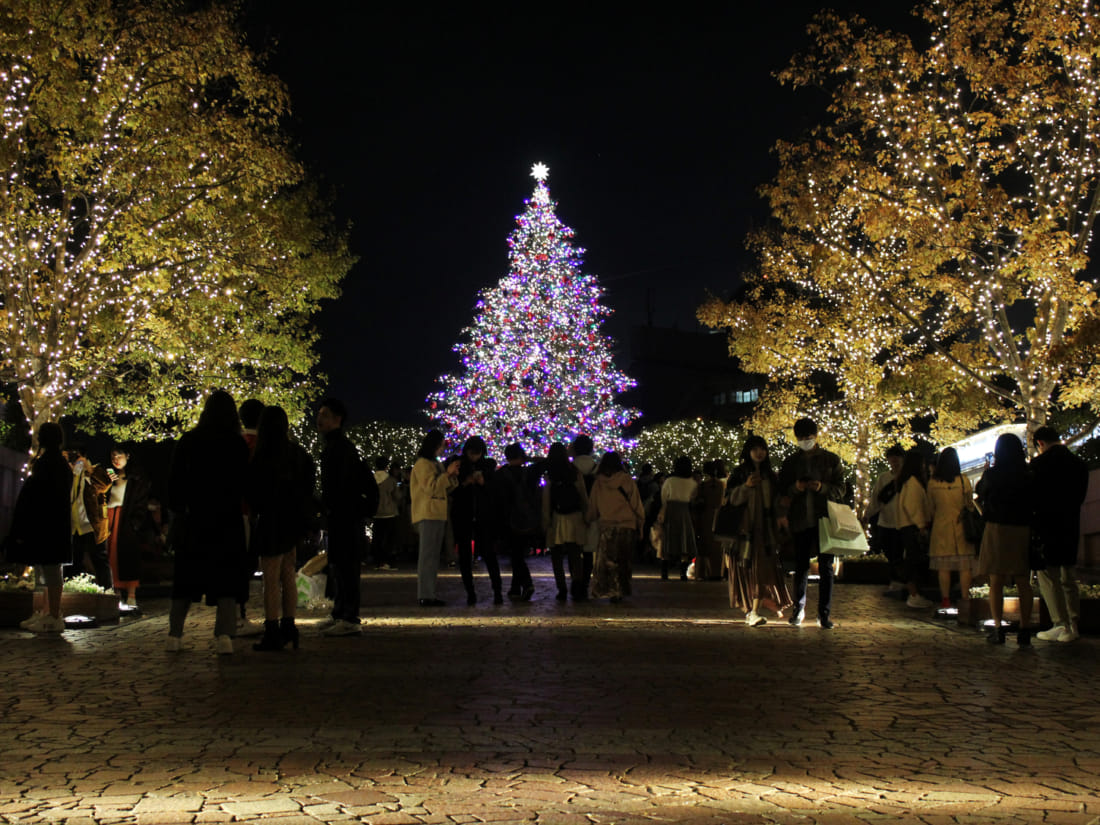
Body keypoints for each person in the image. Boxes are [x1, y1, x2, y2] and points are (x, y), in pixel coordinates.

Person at [166, 390, 250, 654]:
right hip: (227, 520)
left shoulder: (189, 441)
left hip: (194, 519)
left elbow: (175, 483)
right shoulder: (236, 444)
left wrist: (178, 511)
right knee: (226, 580)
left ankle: (175, 634)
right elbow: (244, 484)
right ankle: (224, 635)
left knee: (184, 580)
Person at [247, 405, 315, 651]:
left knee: (271, 578)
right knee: (288, 574)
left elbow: (254, 491)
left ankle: (272, 629)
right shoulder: (298, 454)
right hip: (293, 520)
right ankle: (290, 625)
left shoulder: (263, 455)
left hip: (271, 519)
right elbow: (308, 489)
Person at [776, 418, 845, 628]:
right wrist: (795, 489)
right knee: (801, 566)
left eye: (808, 437)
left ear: (816, 436)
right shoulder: (790, 463)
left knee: (826, 567)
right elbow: (782, 491)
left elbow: (841, 489)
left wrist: (822, 487)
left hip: (824, 519)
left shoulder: (831, 460)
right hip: (800, 519)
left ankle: (824, 614)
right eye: (801, 438)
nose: (805, 441)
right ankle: (799, 610)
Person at [317, 397, 376, 636]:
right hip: (341, 516)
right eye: (319, 414)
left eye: (325, 415)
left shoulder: (341, 447)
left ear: (338, 419)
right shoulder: (336, 445)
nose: (320, 419)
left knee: (347, 567)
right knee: (339, 566)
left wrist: (334, 507)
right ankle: (340, 613)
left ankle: (349, 617)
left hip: (346, 516)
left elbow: (343, 486)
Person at [8, 423, 73, 633]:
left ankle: (53, 615)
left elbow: (36, 494)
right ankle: (48, 613)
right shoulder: (60, 464)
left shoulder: (48, 464)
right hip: (55, 524)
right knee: (48, 569)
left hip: (47, 524)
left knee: (50, 569)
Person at [975, 433, 1035, 645]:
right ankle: (1025, 628)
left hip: (997, 527)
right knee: (1022, 581)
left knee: (996, 581)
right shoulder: (1028, 474)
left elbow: (980, 492)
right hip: (1021, 528)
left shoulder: (993, 474)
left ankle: (998, 627)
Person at [1031, 426, 1090, 643]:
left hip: (1047, 525)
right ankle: (1073, 623)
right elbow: (1080, 496)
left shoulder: (1038, 465)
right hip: (1070, 524)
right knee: (1068, 575)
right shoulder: (1078, 465)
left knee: (1048, 575)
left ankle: (1059, 622)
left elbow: (1034, 498)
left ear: (1040, 444)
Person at [725, 436, 792, 626]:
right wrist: (745, 487)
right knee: (746, 570)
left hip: (765, 530)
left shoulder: (770, 475)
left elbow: (777, 501)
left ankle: (754, 611)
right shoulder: (739, 474)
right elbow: (729, 500)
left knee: (761, 570)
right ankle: (750, 611)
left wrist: (782, 513)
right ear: (748, 451)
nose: (759, 453)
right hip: (744, 531)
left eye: (762, 448)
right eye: (755, 449)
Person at [450, 436, 503, 605]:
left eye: (477, 453)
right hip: (463, 516)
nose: (474, 457)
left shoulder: (488, 467)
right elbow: (452, 490)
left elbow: (495, 492)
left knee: (489, 554)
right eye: (471, 453)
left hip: (484, 517)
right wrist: (465, 483)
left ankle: (497, 592)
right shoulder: (458, 465)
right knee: (465, 557)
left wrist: (483, 482)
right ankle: (470, 592)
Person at [586, 451, 644, 602]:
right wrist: (640, 524)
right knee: (624, 560)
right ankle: (620, 590)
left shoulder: (599, 483)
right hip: (627, 525)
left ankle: (609, 589)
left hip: (607, 525)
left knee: (607, 560)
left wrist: (588, 519)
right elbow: (636, 504)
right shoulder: (627, 481)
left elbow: (593, 507)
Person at [411, 429, 460, 606]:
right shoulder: (423, 464)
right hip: (428, 513)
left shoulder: (434, 464)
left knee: (432, 556)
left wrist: (451, 476)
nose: (443, 448)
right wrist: (447, 475)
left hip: (436, 513)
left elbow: (444, 488)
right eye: (441, 445)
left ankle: (429, 593)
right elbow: (431, 487)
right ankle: (425, 594)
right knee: (428, 556)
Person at [927, 447, 978, 609]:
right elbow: (969, 505)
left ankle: (946, 599)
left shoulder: (933, 483)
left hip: (941, 527)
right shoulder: (963, 481)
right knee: (965, 567)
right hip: (961, 526)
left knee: (943, 567)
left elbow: (930, 507)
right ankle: (965, 599)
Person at [104, 445, 151, 610]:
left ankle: (131, 595)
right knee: (110, 556)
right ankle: (116, 593)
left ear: (127, 456)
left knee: (127, 556)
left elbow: (141, 502)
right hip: (110, 516)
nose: (116, 460)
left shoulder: (136, 478)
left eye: (119, 456)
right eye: (113, 457)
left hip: (126, 519)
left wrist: (135, 523)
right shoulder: (109, 475)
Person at [542, 442, 589, 601]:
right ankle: (577, 584)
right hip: (575, 516)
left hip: (557, 516)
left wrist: (546, 519)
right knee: (575, 554)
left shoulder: (550, 473)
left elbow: (546, 498)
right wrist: (586, 513)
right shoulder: (574, 471)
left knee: (556, 555)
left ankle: (561, 588)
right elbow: (583, 494)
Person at [66, 443, 113, 590]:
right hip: (75, 524)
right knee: (73, 560)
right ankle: (72, 590)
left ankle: (107, 592)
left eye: (77, 456)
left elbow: (104, 485)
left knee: (99, 558)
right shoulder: (69, 474)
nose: (75, 461)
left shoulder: (95, 471)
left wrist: (88, 469)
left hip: (92, 523)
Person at [495, 443, 538, 601]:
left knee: (515, 555)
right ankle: (515, 588)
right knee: (518, 553)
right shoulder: (530, 473)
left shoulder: (501, 475)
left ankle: (526, 583)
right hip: (527, 518)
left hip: (508, 519)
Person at [896, 448, 934, 609]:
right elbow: (913, 506)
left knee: (912, 560)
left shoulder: (907, 481)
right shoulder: (912, 482)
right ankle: (914, 595)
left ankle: (914, 594)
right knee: (914, 561)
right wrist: (921, 525)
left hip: (907, 526)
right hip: (912, 527)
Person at [866, 445, 905, 595]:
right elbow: (876, 498)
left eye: (897, 460)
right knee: (889, 552)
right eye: (892, 461)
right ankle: (894, 581)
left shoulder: (907, 478)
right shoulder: (884, 478)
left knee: (899, 553)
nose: (894, 463)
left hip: (902, 522)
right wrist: (868, 514)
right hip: (886, 521)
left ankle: (900, 582)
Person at [657, 456, 698, 581]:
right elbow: (693, 498)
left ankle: (664, 572)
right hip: (685, 511)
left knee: (668, 540)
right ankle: (682, 572)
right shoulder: (693, 483)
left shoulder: (670, 481)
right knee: (684, 540)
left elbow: (664, 497)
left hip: (670, 510)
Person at [570, 434, 599, 596]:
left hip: (573, 512)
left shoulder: (570, 468)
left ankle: (575, 582)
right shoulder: (597, 468)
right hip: (592, 513)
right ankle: (585, 583)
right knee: (588, 552)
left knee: (574, 551)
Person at [695, 459, 727, 581]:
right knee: (717, 546)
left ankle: (702, 572)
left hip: (705, 516)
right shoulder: (721, 485)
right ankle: (717, 572)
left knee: (704, 545)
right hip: (718, 516)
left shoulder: (703, 485)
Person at [372, 456, 399, 570]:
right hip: (389, 512)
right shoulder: (391, 480)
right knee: (389, 538)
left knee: (377, 537)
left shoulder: (372, 479)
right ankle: (387, 561)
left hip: (376, 512)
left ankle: (378, 561)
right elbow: (397, 496)